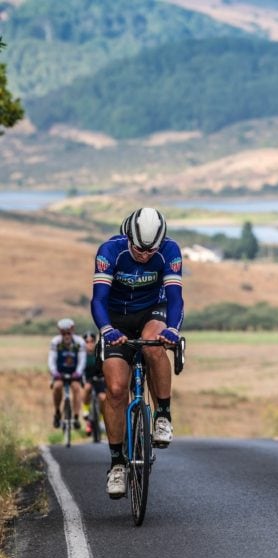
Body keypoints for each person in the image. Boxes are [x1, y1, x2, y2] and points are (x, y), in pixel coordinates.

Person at [90, 207, 184, 499]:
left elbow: (176, 298)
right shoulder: (109, 252)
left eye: (150, 251)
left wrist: (173, 330)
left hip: (150, 312)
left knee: (155, 343)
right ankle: (117, 463)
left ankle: (163, 416)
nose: (144, 255)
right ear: (127, 237)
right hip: (116, 317)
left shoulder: (169, 251)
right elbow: (98, 300)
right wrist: (106, 330)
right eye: (138, 250)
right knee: (116, 390)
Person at [48, 318, 86, 429]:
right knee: (57, 387)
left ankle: (76, 416)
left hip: (75, 373)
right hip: (59, 372)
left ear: (73, 330)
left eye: (68, 332)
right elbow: (52, 359)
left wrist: (78, 372)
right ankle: (57, 412)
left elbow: (82, 359)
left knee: (76, 388)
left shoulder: (79, 342)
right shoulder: (55, 342)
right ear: (60, 332)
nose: (66, 335)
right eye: (63, 333)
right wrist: (54, 372)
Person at [81, 330, 107, 436]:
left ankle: (101, 419)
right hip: (87, 378)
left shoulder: (99, 351)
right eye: (87, 342)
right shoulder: (82, 354)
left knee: (102, 398)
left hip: (99, 378)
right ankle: (86, 411)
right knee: (87, 388)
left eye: (91, 341)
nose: (89, 344)